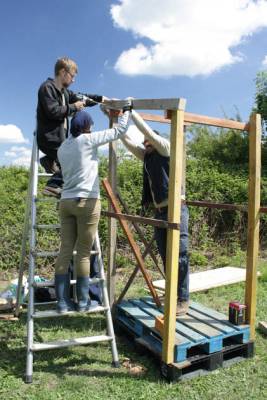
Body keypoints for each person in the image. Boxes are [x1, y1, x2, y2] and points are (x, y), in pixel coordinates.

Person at [54, 103, 132, 313]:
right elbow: (119, 131)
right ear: (87, 126)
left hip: (66, 202)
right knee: (84, 254)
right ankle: (83, 301)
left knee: (65, 251)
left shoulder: (62, 148)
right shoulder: (88, 140)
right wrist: (126, 112)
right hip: (87, 201)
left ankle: (61, 303)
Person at [121, 111, 189, 315]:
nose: (145, 145)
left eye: (148, 142)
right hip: (160, 212)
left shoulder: (166, 149)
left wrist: (131, 112)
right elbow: (129, 144)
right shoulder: (148, 156)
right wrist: (117, 126)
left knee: (180, 255)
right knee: (166, 256)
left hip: (176, 209)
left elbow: (147, 131)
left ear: (155, 141)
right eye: (145, 144)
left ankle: (183, 299)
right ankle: (173, 294)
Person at [36, 56, 106, 197]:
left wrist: (101, 99)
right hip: (49, 138)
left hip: (60, 138)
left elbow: (83, 98)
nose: (73, 80)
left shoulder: (65, 93)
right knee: (76, 158)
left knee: (70, 160)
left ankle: (50, 162)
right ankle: (52, 185)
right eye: (72, 76)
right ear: (63, 72)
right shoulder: (47, 88)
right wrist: (73, 107)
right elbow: (53, 111)